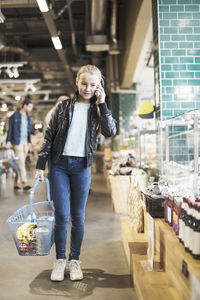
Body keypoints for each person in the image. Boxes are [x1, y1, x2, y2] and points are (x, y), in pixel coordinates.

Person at [35, 65, 117, 282]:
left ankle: (75, 260)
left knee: (78, 216)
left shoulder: (98, 109)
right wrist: (39, 165)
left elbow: (110, 131)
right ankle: (60, 260)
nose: (87, 88)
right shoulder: (63, 107)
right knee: (61, 215)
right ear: (77, 82)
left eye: (93, 85)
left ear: (98, 86)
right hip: (59, 165)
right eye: (84, 84)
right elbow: (49, 136)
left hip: (82, 166)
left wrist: (103, 103)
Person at [6, 97, 34, 191]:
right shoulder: (15, 116)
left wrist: (34, 132)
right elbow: (10, 129)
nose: (31, 109)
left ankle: (15, 183)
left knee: (19, 163)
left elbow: (29, 129)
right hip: (17, 142)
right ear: (25, 106)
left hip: (26, 142)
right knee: (21, 162)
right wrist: (8, 141)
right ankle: (24, 182)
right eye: (30, 107)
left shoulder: (28, 117)